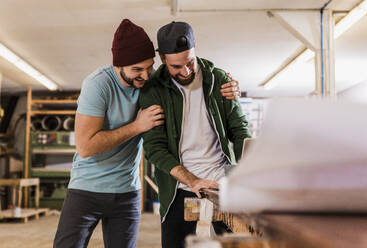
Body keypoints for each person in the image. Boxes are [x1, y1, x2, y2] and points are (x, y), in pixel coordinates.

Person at [53, 19, 241, 248]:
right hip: (90, 190)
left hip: (129, 190)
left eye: (148, 67)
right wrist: (136, 126)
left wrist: (233, 88)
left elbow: (237, 128)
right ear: (119, 65)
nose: (145, 75)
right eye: (137, 70)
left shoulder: (171, 84)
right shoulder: (107, 85)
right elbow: (87, 147)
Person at [139, 21, 252, 248]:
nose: (186, 71)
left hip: (222, 183)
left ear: (195, 48)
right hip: (179, 187)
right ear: (162, 59)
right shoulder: (154, 91)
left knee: (241, 243)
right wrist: (192, 180)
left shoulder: (219, 80)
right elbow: (154, 148)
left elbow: (239, 131)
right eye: (176, 67)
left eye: (190, 62)